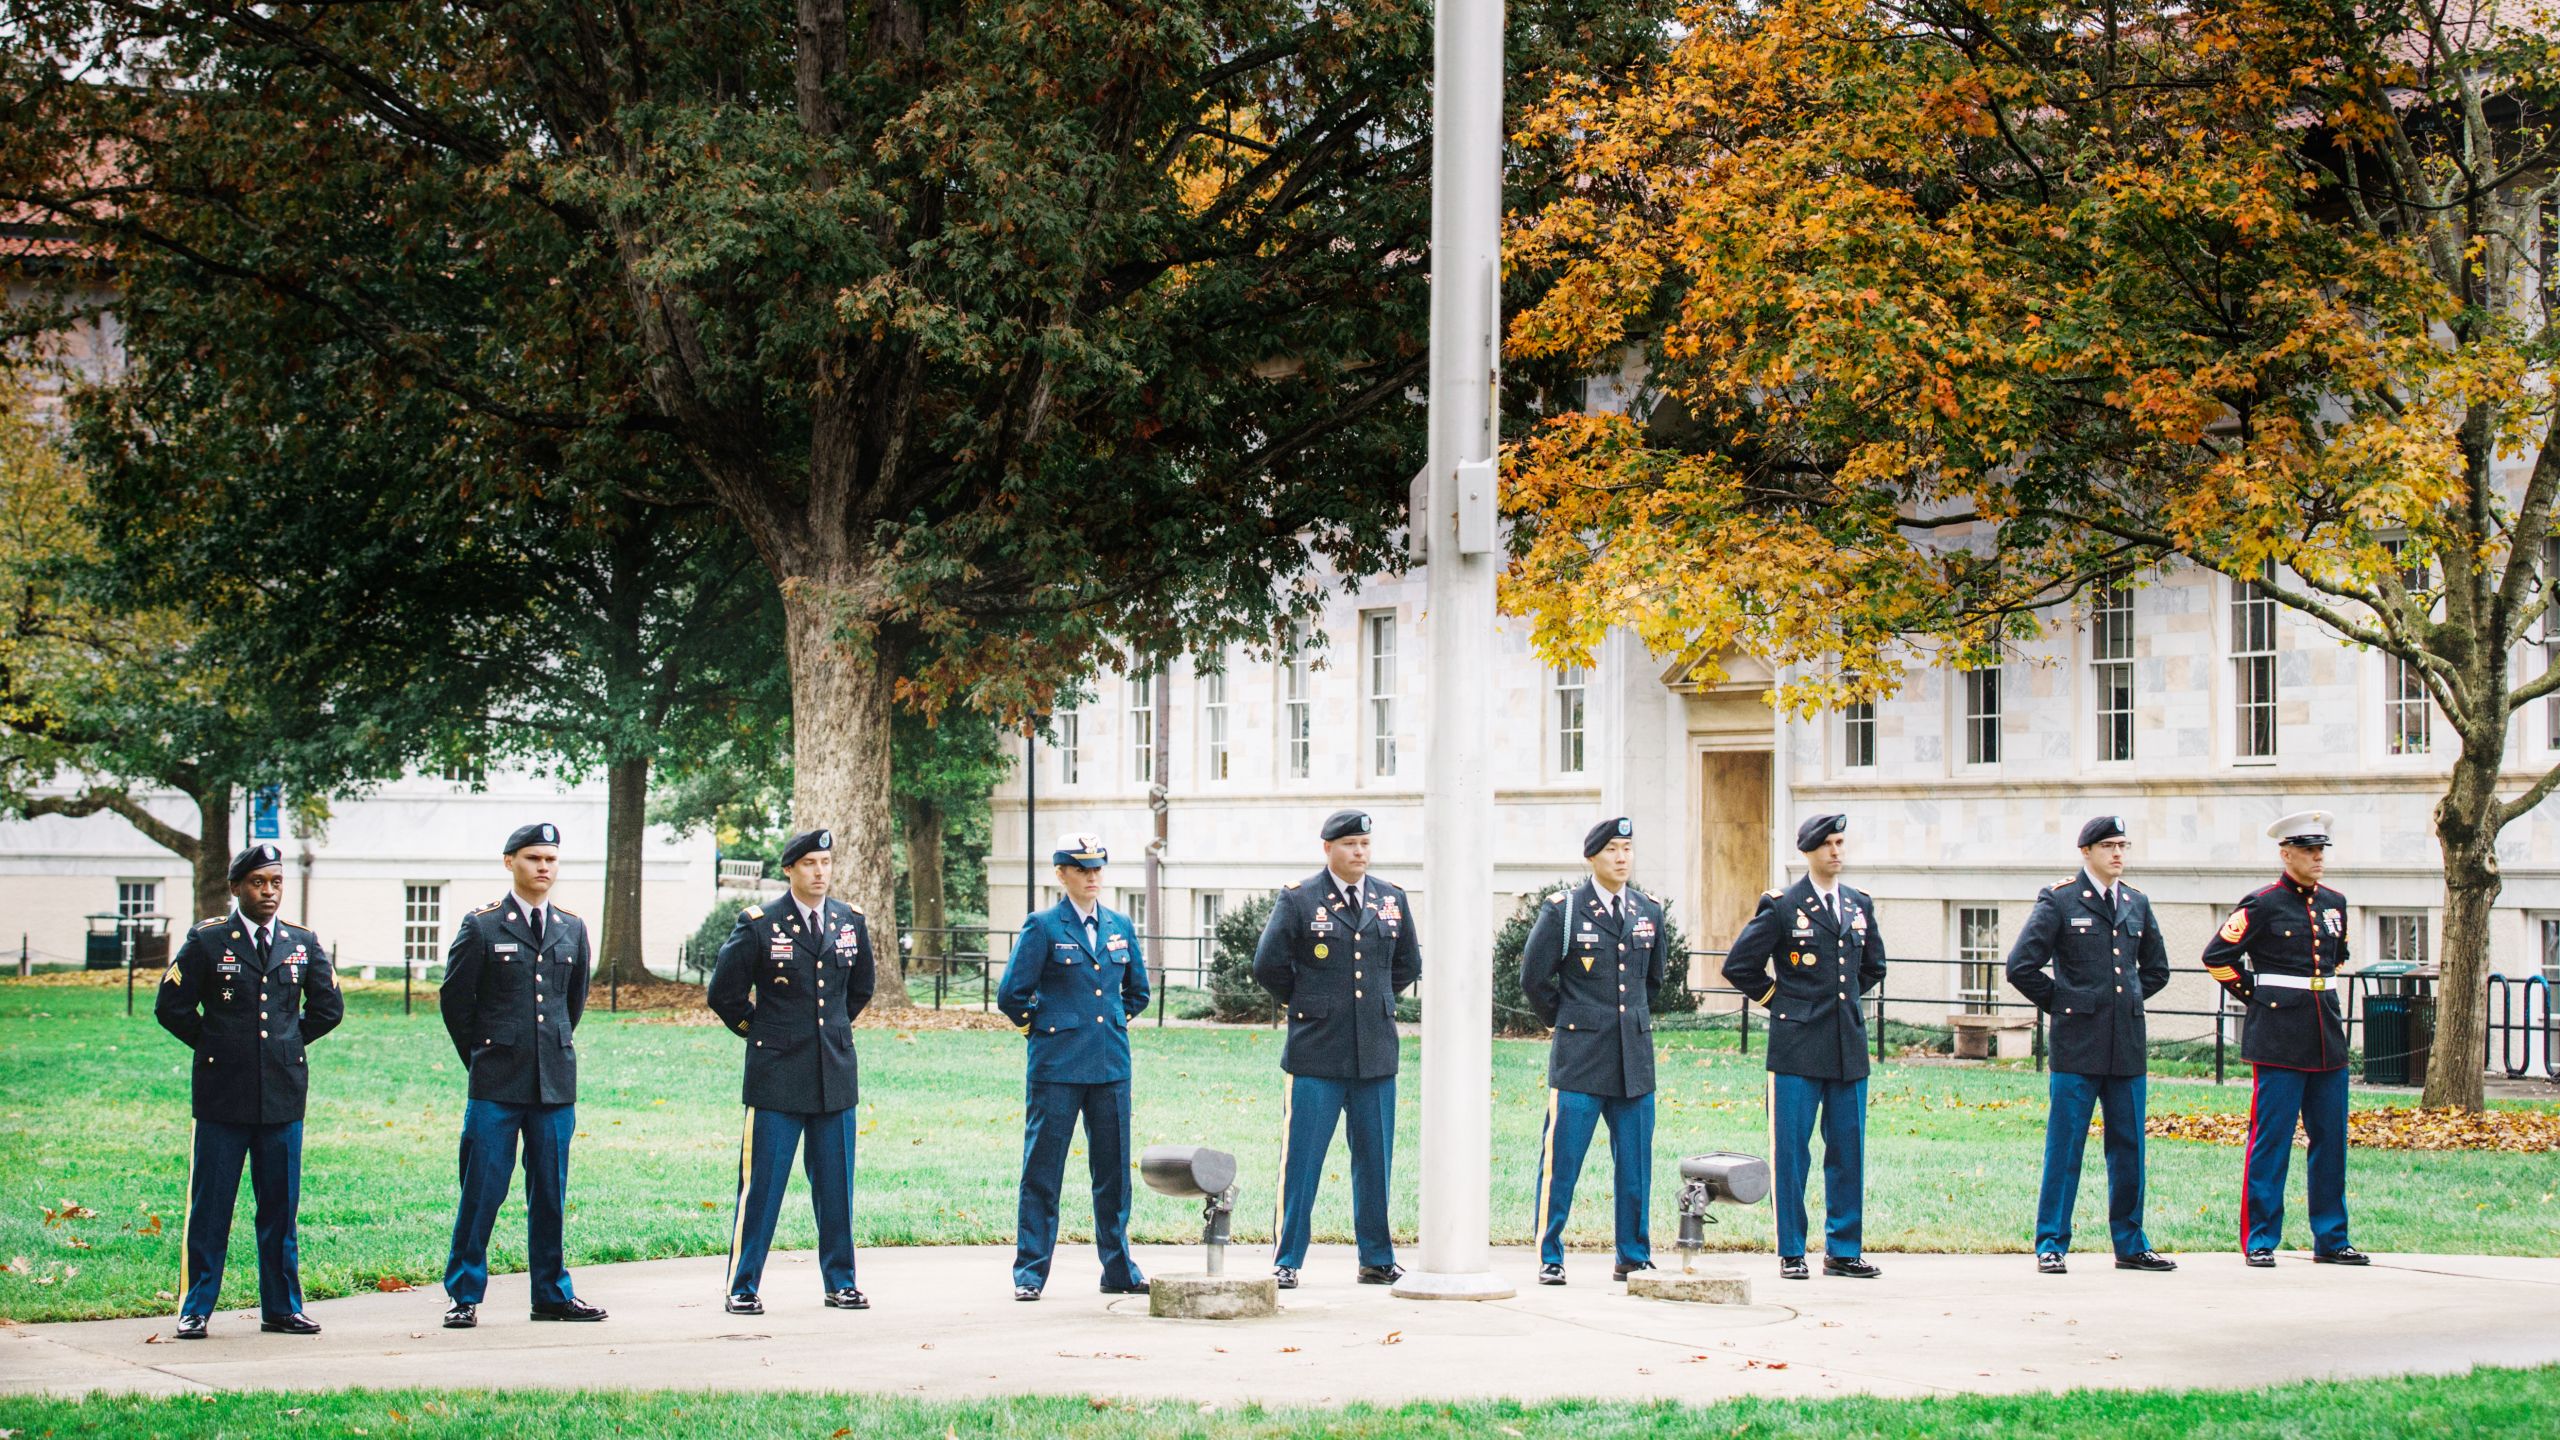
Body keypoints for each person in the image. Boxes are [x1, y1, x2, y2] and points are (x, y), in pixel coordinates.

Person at [155, 843, 344, 1338]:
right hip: (222, 1096)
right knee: (211, 1207)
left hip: (282, 1097)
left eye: (276, 883)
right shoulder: (208, 940)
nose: (269, 892)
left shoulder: (301, 942)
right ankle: (196, 1307)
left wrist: (282, 1046)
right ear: (236, 887)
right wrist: (216, 1045)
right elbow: (171, 1007)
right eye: (259, 883)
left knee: (279, 1209)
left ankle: (282, 1308)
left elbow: (328, 1009)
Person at [435, 821, 607, 1328]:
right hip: (496, 1083)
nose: (544, 868)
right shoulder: (483, 925)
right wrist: (484, 1056)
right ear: (510, 862)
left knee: (550, 1193)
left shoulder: (571, 926)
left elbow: (571, 1002)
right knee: (482, 1190)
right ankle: (464, 1294)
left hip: (553, 1082)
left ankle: (551, 1294)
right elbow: (455, 1002)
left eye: (551, 860)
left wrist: (544, 1048)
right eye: (534, 858)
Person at [709, 827, 879, 1312]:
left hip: (834, 1075)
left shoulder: (850, 920)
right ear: (789, 869)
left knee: (837, 1188)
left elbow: (860, 988)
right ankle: (742, 1286)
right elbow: (723, 994)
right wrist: (762, 1034)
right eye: (808, 864)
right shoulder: (760, 923)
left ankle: (840, 1282)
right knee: (762, 1187)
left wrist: (832, 1033)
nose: (819, 872)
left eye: (825, 863)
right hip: (777, 1078)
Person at [1253, 809, 1422, 1289]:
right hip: (1316, 1053)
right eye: (1350, 845)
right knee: (1303, 1162)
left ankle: (1377, 1257)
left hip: (1375, 1051)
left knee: (1374, 1160)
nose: (1360, 853)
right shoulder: (1300, 899)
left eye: (1365, 844)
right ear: (1327, 848)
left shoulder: (1391, 900)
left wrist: (1376, 1002)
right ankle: (1288, 1259)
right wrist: (1311, 1003)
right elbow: (1269, 966)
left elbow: (1408, 962)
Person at [2003, 815, 2176, 1275]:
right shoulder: (2060, 900)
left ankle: (2131, 1243)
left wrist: (2130, 1001)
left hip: (2126, 1046)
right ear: (2086, 852)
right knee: (2066, 1148)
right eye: (2108, 846)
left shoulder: (2136, 902)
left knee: (2129, 1148)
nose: (2118, 853)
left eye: (2123, 844)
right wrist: (2065, 1003)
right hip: (2078, 1046)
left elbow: (2156, 969)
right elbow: (2021, 966)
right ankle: (2051, 1243)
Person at [1720, 814, 1887, 1280]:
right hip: (1796, 1047)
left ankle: (1843, 1248)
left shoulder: (1858, 905)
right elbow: (1740, 967)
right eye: (1828, 844)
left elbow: (1873, 966)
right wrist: (1782, 1003)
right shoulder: (1783, 905)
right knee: (1792, 1153)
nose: (1837, 851)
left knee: (1848, 1151)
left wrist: (1845, 1003)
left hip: (1846, 1045)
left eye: (1841, 843)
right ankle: (1792, 1249)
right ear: (1808, 852)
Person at [2200, 810, 2367, 1269]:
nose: (2318, 858)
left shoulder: (2336, 902)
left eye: (2321, 850)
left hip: (2326, 1033)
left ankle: (2332, 1237)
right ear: (2286, 853)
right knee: (2271, 1141)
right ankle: (2260, 1238)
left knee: (2331, 1140)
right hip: (2277, 1035)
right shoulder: (2262, 904)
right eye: (2309, 850)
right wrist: (2258, 997)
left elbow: (2337, 957)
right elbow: (2217, 956)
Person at [995, 834, 1152, 1301]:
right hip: (1057, 1067)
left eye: (1098, 869)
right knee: (1043, 1172)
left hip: (1109, 1067)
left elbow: (1137, 992)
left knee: (1114, 1174)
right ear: (1061, 874)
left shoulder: (1120, 925)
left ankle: (1118, 1268)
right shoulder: (1043, 926)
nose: (1092, 878)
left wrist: (1110, 1024)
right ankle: (1030, 1273)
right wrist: (1045, 1027)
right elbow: (1011, 995)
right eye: (1082, 870)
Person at [1519, 816, 1667, 1286]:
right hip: (1581, 1057)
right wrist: (1566, 1021)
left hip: (1634, 1059)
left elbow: (1655, 981)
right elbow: (1533, 978)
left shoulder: (1648, 910)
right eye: (1612, 851)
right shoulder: (1564, 910)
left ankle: (1633, 1254)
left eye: (1627, 849)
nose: (1622, 858)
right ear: (1591, 858)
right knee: (1561, 1163)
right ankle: (1551, 1254)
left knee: (1636, 1167)